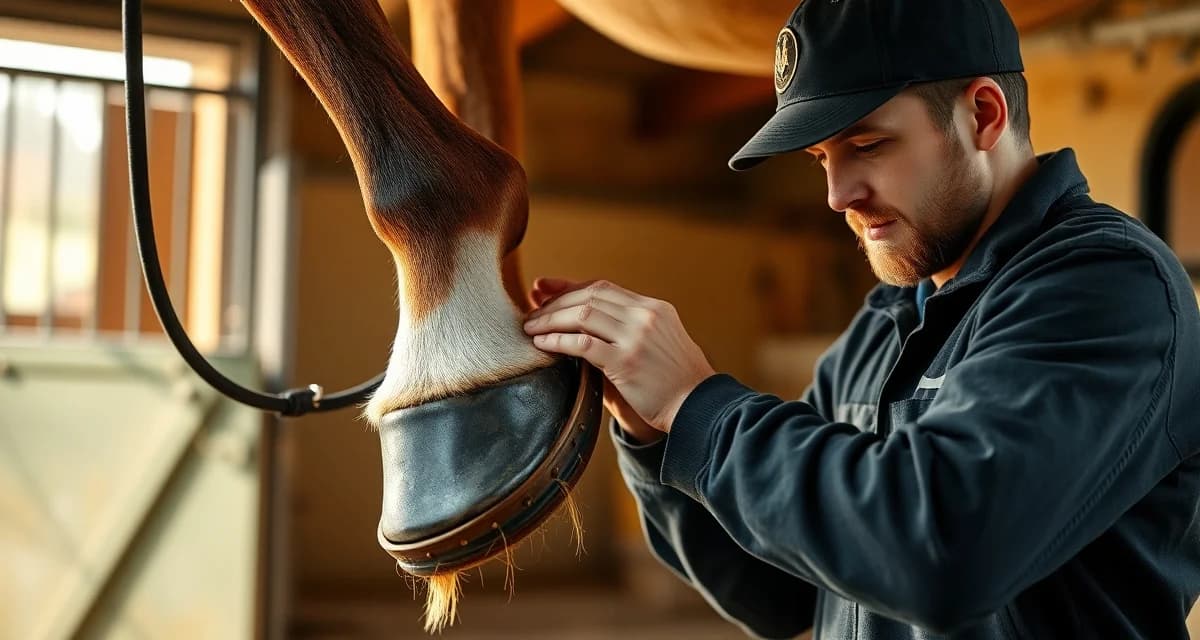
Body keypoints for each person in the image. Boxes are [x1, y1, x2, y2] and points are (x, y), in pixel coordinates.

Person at [522, 0, 1200, 637]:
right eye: (821, 157)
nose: (836, 194)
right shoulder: (890, 320)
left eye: (869, 144)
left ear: (984, 116)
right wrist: (655, 430)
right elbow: (776, 591)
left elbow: (942, 552)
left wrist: (699, 404)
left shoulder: (1105, 286)